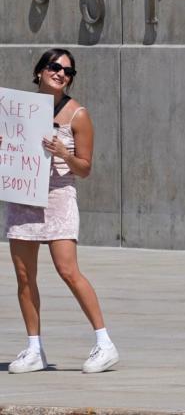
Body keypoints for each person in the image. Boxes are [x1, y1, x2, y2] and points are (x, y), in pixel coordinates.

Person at [5, 48, 120, 374]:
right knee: (25, 276)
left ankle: (104, 342)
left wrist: (62, 153)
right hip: (24, 194)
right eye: (55, 67)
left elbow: (85, 168)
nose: (61, 74)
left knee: (68, 270)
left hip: (58, 197)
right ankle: (34, 348)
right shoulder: (21, 109)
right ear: (39, 71)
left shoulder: (77, 115)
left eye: (68, 71)